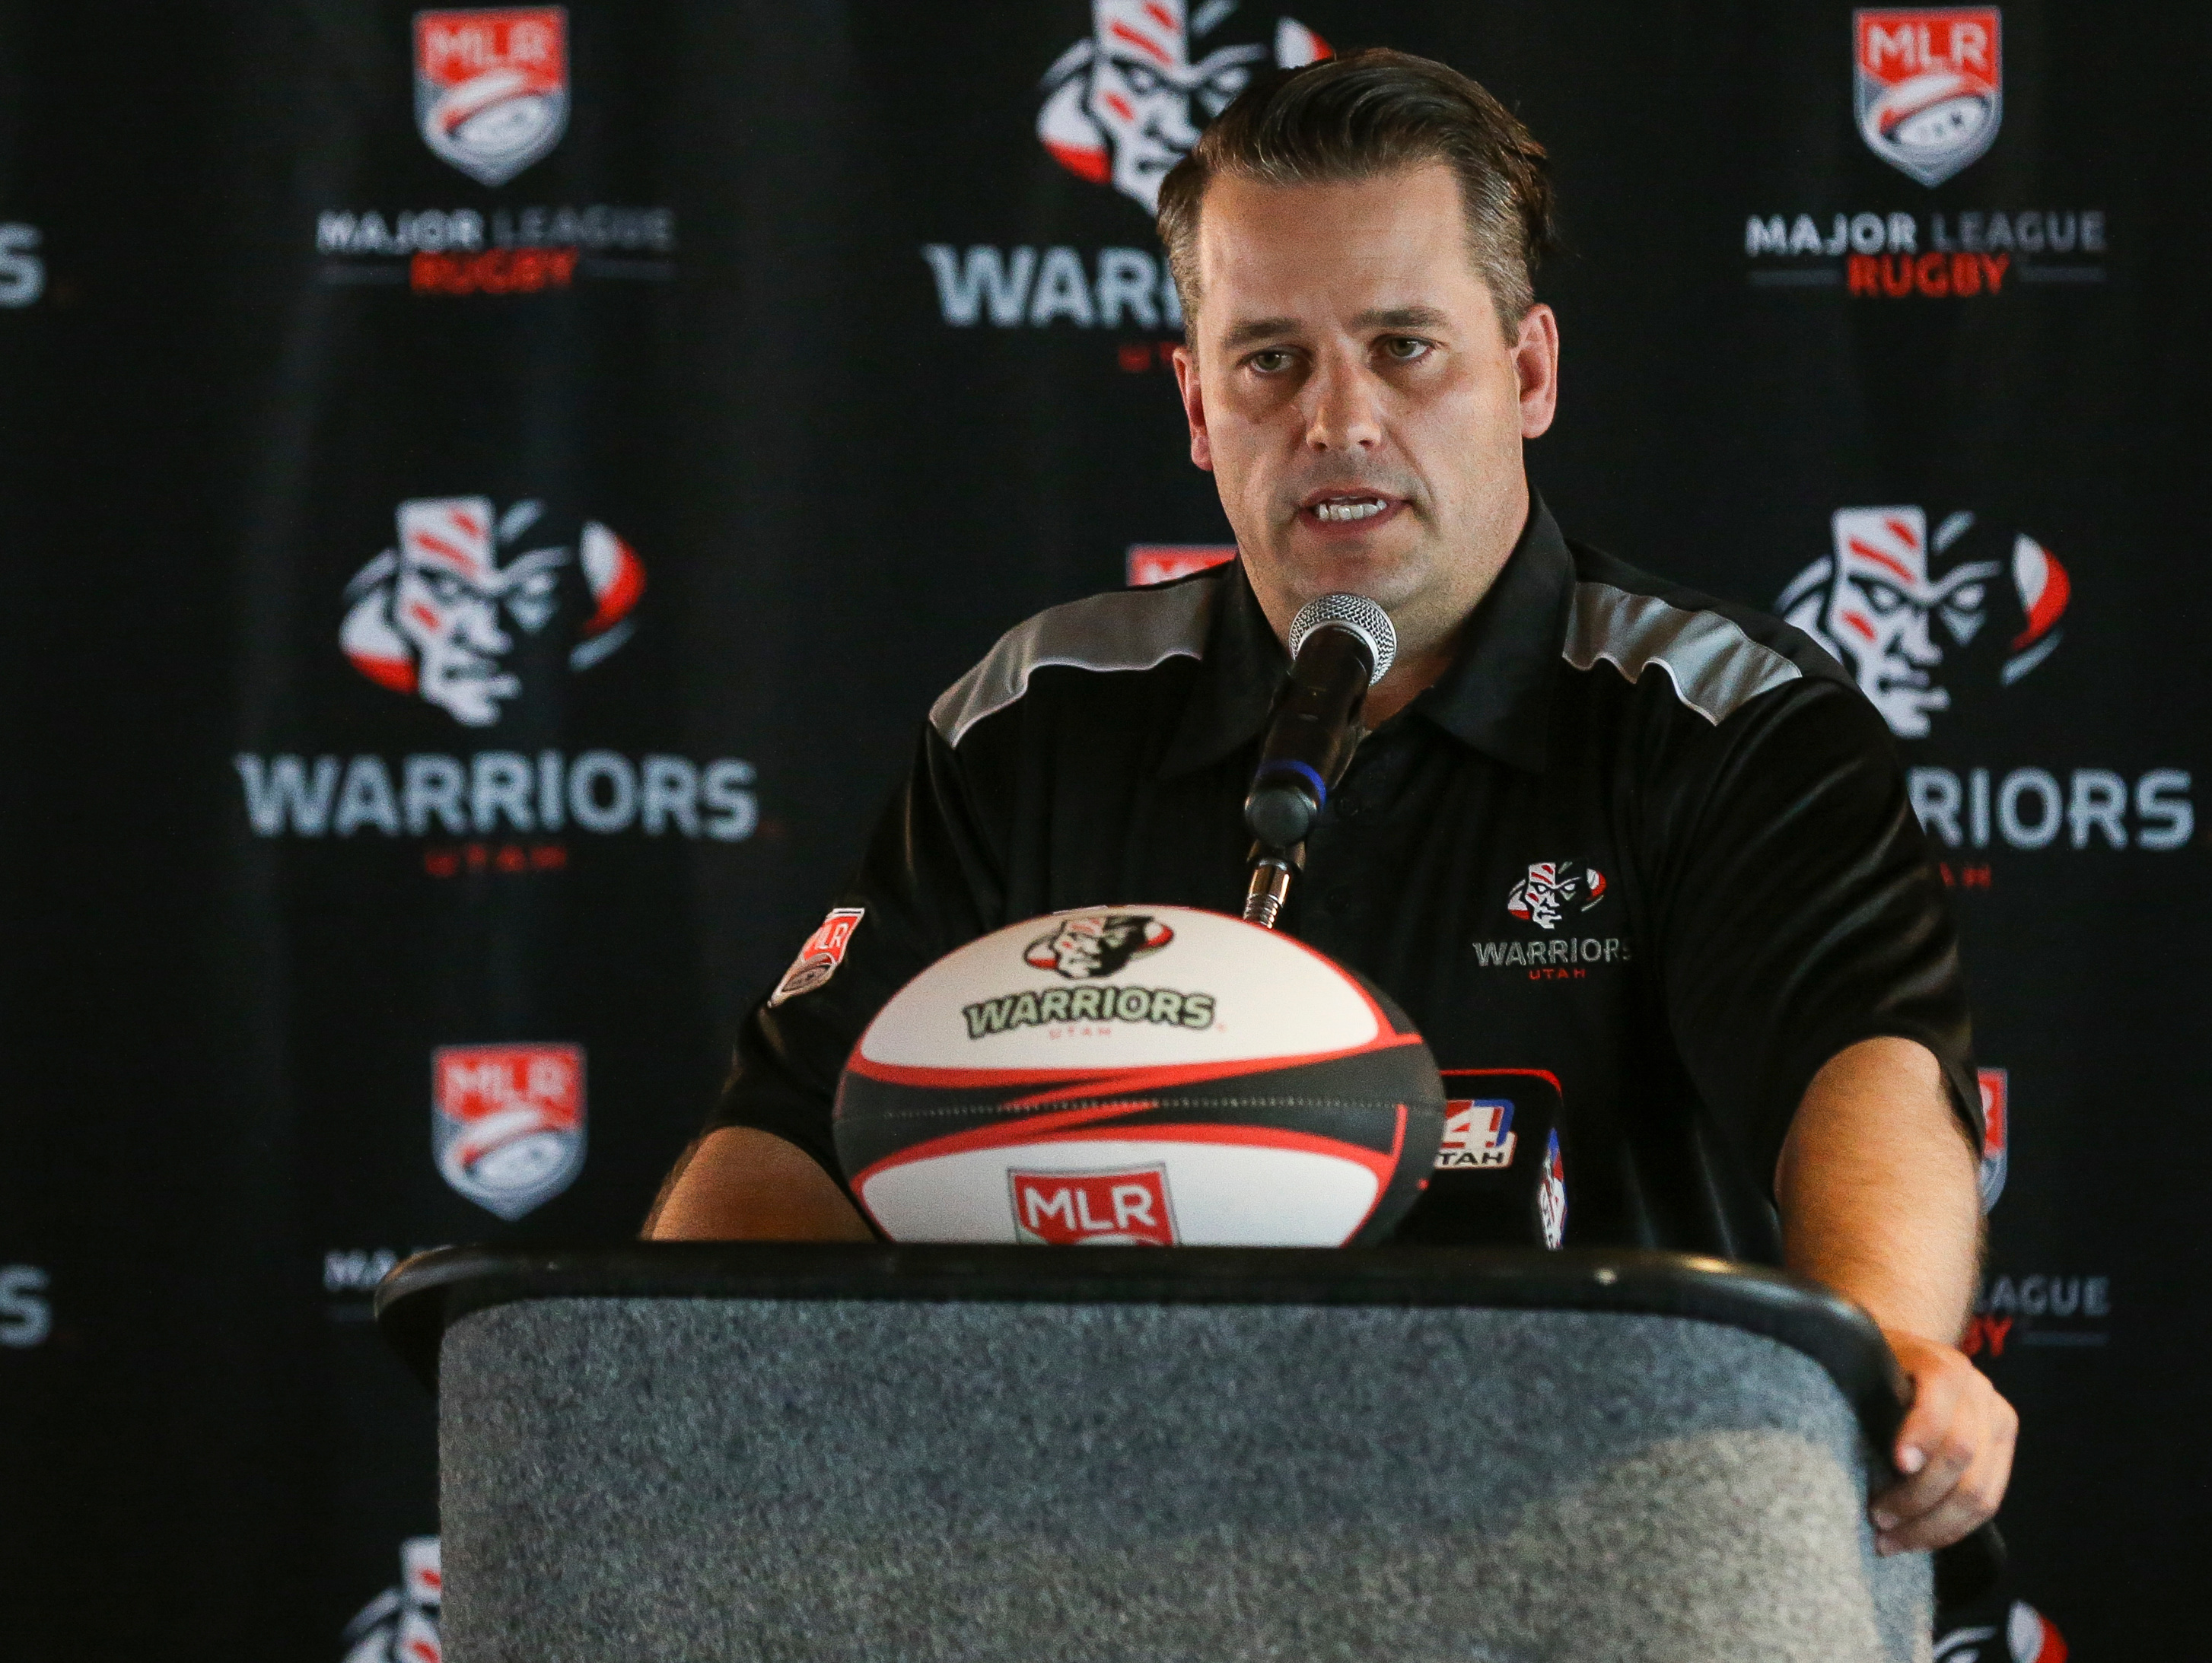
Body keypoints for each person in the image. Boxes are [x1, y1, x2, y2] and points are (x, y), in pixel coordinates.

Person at [647, 49, 2014, 1556]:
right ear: (1193, 404)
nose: (1337, 419)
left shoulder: (1727, 718)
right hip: (1099, 1558)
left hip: (1600, 1547)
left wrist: (1889, 1344)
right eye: (1270, 360)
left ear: (1531, 372)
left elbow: (1864, 1068)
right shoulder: (1034, 717)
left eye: (1407, 347)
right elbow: (783, 1143)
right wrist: (701, 1399)